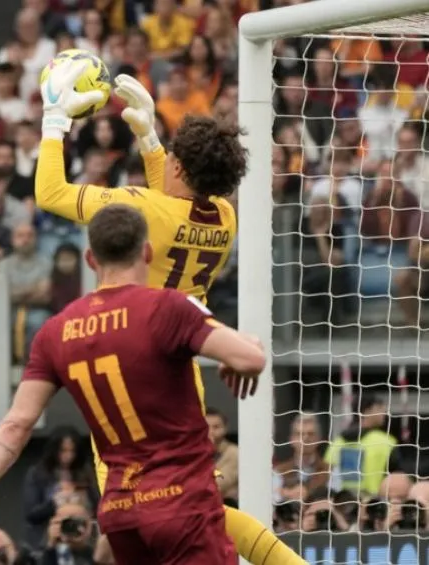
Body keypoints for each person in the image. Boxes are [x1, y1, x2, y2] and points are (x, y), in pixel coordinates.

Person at [36, 61, 306, 565]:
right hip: (180, 375)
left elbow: (49, 193)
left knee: (130, 514)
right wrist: (149, 138)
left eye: (173, 157)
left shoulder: (145, 208)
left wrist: (54, 121)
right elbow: (176, 196)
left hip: (127, 372)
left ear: (179, 168)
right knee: (201, 510)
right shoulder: (225, 218)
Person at [0, 203, 265, 564]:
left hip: (122, 513)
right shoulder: (166, 307)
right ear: (147, 251)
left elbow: (14, 427)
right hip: (181, 504)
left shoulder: (55, 331)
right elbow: (251, 359)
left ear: (90, 259)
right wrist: (241, 352)